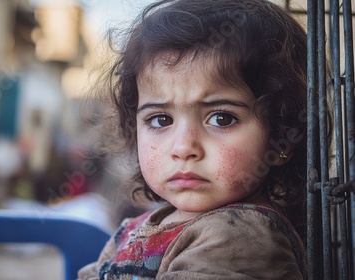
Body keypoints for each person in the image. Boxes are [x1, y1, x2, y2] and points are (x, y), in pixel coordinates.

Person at [78, 0, 321, 279]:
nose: (183, 148)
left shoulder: (240, 237)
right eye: (161, 120)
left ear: (281, 137)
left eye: (221, 118)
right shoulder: (135, 229)